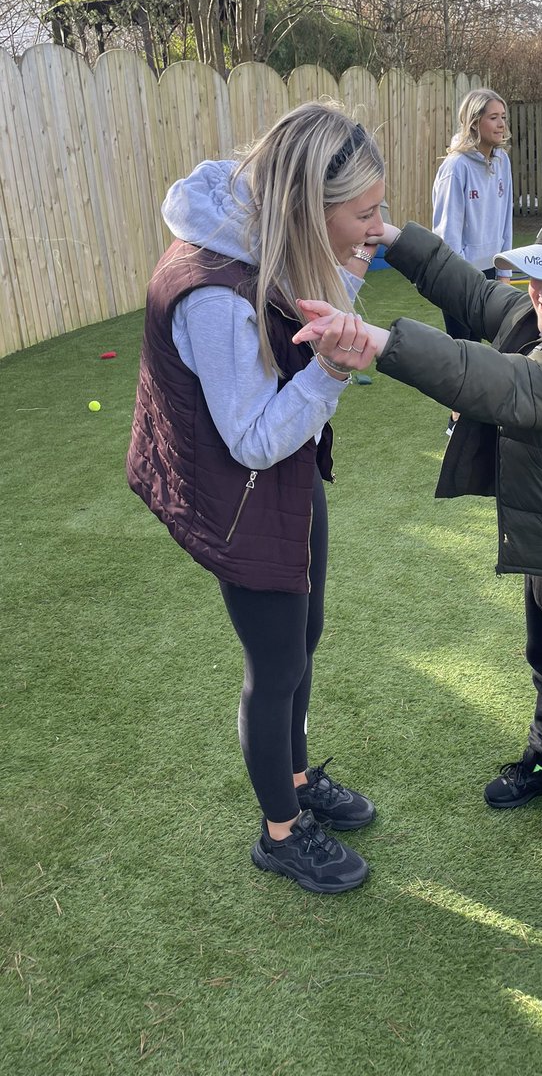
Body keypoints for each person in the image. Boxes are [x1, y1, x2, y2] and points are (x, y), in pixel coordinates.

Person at [294, 200, 542, 870]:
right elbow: (479, 295)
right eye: (540, 273)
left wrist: (380, 343)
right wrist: (397, 239)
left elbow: (508, 386)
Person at [126, 102, 383, 894]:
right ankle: (280, 832)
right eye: (366, 212)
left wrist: (348, 279)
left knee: (305, 637)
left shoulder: (270, 231)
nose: (382, 225)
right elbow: (253, 438)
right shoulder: (214, 291)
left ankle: (300, 782)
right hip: (238, 491)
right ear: (311, 205)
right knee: (273, 666)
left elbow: (311, 316)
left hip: (283, 473)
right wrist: (333, 372)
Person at [432, 88, 513, 432]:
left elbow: (506, 217)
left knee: (488, 352)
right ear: (474, 121)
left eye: (503, 117)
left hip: (494, 271)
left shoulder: (503, 162)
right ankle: (456, 423)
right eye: (493, 117)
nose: (501, 124)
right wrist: (466, 281)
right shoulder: (455, 167)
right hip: (459, 275)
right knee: (462, 354)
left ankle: (479, 418)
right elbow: (447, 235)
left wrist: (504, 270)